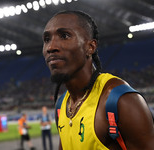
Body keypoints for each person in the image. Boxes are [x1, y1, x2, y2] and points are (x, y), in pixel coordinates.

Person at [42, 10, 154, 150]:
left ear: (91, 47)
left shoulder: (122, 101)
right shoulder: (61, 105)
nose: (51, 47)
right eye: (47, 39)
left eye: (64, 36)